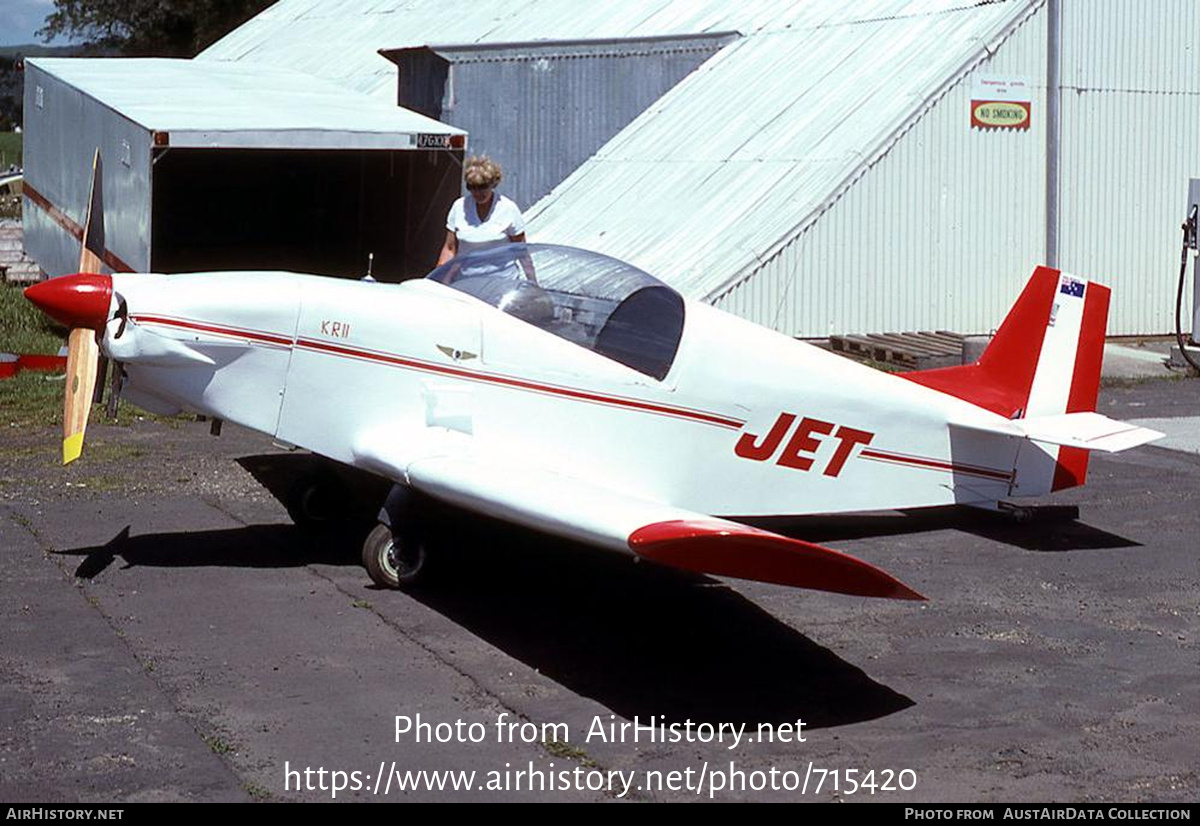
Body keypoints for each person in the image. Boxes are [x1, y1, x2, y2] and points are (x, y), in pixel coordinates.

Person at [437, 155, 527, 266]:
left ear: (493, 184)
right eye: (472, 187)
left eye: (482, 186)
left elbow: (521, 251)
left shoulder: (508, 208)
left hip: (502, 279)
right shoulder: (459, 206)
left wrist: (532, 280)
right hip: (468, 279)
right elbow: (450, 249)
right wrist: (437, 280)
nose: (477, 192)